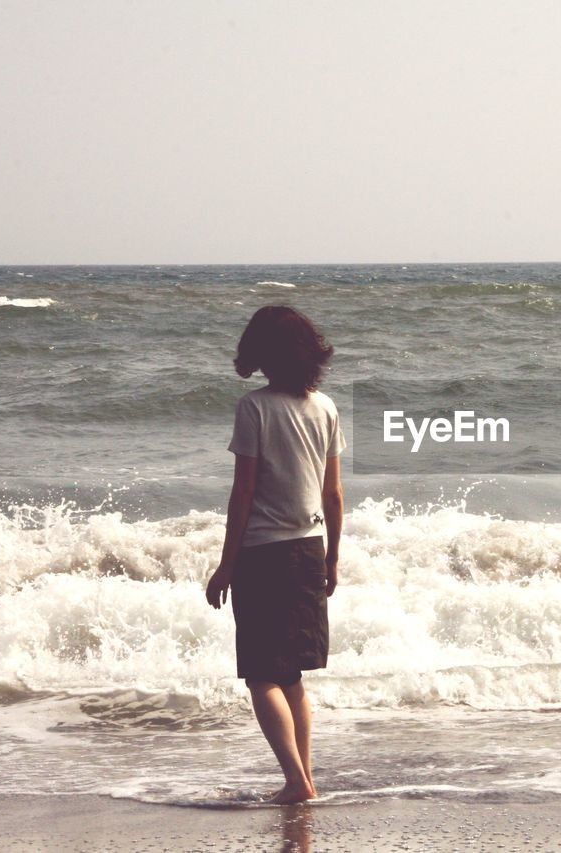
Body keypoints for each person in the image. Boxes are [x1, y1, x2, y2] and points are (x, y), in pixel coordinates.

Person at [205, 305, 346, 805]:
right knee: (292, 677)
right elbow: (333, 495)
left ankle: (297, 782)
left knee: (262, 675)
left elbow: (242, 494)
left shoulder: (255, 409)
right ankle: (302, 778)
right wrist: (331, 557)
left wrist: (226, 564)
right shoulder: (325, 408)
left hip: (263, 554)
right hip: (309, 550)